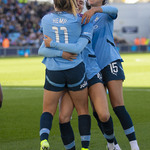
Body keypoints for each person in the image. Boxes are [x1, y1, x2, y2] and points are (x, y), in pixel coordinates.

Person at [39, 0, 121, 149]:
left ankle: (112, 144)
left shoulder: (85, 19)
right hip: (74, 73)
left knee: (103, 115)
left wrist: (96, 10)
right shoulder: (69, 21)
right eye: (76, 1)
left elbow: (114, 10)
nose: (79, 4)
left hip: (90, 71)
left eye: (81, 2)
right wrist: (61, 53)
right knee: (64, 117)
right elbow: (42, 48)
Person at [81, 0, 140, 149]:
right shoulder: (82, 17)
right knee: (98, 111)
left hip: (109, 61)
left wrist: (95, 10)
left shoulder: (106, 12)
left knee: (118, 105)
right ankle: (113, 145)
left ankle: (134, 146)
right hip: (93, 67)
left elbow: (114, 10)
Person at [38, 0, 93, 150]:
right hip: (75, 70)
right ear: (72, 4)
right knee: (82, 110)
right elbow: (77, 48)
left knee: (49, 110)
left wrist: (57, 51)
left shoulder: (46, 19)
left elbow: (42, 49)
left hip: (54, 71)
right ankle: (85, 148)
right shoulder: (80, 20)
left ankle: (44, 140)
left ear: (55, 4)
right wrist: (64, 52)